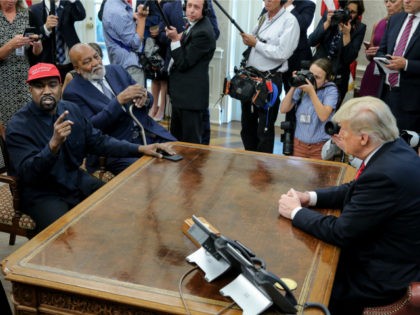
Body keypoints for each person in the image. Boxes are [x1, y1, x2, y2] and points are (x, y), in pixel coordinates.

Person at [278, 96, 420, 315]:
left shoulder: (385, 174)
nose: (337, 135)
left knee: (301, 286)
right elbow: (355, 187)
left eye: (343, 131)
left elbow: (341, 232)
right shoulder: (393, 147)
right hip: (397, 255)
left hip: (382, 278)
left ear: (363, 138)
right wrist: (309, 197)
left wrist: (295, 212)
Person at [6, 63, 176, 233]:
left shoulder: (71, 109)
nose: (46, 91)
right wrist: (52, 146)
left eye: (52, 84)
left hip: (74, 179)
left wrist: (140, 149)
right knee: (63, 236)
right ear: (30, 89)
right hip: (42, 192)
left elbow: (98, 141)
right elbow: (27, 174)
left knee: (118, 207)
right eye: (39, 86)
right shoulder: (19, 125)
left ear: (60, 86)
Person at [62, 43, 176, 175]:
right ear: (77, 68)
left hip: (149, 132)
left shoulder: (116, 70)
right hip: (117, 149)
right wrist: (118, 101)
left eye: (96, 57)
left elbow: (148, 97)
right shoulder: (73, 92)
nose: (95, 63)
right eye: (87, 61)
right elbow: (91, 127)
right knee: (152, 172)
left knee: (183, 154)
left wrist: (145, 99)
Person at [240, 0, 299, 153]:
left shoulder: (289, 21)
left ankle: (262, 169)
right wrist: (249, 39)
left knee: (264, 130)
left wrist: (256, 44)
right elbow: (254, 41)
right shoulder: (263, 17)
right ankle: (249, 159)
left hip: (269, 81)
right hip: (251, 79)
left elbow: (282, 53)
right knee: (247, 126)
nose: (267, 0)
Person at [160, 0, 219, 144]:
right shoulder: (194, 25)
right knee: (178, 143)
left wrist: (174, 40)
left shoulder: (203, 32)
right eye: (189, 6)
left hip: (190, 99)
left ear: (204, 10)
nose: (191, 10)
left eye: (196, 7)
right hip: (183, 97)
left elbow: (183, 63)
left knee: (191, 147)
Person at [308, 0, 366, 106]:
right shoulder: (330, 16)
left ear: (358, 14)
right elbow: (311, 41)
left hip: (338, 78)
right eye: (347, 10)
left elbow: (349, 58)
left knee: (329, 113)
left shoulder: (359, 28)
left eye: (353, 12)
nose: (348, 14)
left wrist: (346, 35)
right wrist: (327, 23)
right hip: (317, 72)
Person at [280, 58, 339, 159]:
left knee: (319, 175)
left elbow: (323, 116)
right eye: (311, 74)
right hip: (299, 145)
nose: (312, 79)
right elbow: (283, 109)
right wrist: (294, 85)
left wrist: (311, 92)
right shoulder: (303, 88)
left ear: (327, 79)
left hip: (320, 147)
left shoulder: (330, 90)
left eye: (317, 77)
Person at [376, 0, 420, 133]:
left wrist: (406, 64)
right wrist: (384, 61)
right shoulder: (395, 19)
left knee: (405, 148)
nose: (406, 1)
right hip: (386, 94)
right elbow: (381, 50)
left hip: (412, 102)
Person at [0, 0, 42, 125]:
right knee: (7, 125)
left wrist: (37, 46)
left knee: (28, 123)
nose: (12, 1)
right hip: (2, 83)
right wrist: (10, 46)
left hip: (25, 79)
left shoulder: (28, 14)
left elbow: (36, 53)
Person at [29, 0, 86, 79]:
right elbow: (32, 37)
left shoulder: (69, 5)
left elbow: (81, 16)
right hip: (46, 63)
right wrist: (45, 28)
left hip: (70, 62)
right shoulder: (33, 10)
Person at [359, 0, 404, 97]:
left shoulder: (407, 27)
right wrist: (369, 53)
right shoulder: (379, 24)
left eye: (392, 1)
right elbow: (370, 55)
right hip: (372, 71)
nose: (388, 5)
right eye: (386, 1)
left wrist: (384, 52)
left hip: (391, 74)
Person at [102, 0, 148, 86]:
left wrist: (131, 16)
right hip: (130, 66)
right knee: (138, 98)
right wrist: (142, 18)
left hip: (120, 62)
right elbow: (135, 43)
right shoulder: (118, 12)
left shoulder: (111, 3)